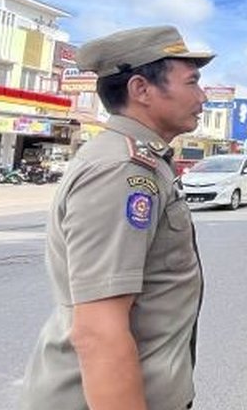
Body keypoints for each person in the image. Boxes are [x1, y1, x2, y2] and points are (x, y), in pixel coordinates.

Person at [20, 26, 213, 410]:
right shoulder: (120, 170)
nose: (203, 96)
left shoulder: (141, 160)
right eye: (192, 82)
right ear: (141, 90)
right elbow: (98, 331)